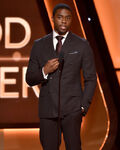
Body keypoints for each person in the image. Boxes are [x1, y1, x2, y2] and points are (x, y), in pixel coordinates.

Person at [26, 3, 97, 150]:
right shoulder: (39, 45)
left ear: (71, 20)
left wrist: (83, 106)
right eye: (60, 17)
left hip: (72, 110)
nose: (64, 21)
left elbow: (91, 78)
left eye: (67, 18)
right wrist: (44, 70)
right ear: (53, 19)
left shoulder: (81, 45)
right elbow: (30, 78)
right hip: (48, 110)